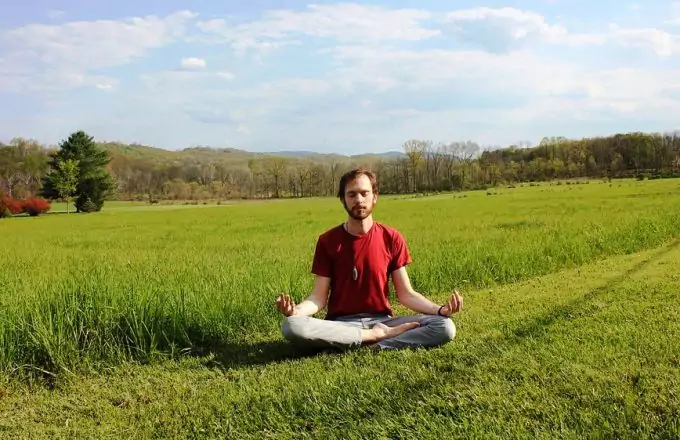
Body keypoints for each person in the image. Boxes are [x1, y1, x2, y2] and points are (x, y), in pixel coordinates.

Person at [275, 167, 463, 351]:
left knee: (444, 326)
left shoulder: (391, 237)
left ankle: (371, 343)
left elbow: (406, 294)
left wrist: (440, 310)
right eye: (352, 194)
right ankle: (374, 338)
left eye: (364, 193)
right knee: (292, 326)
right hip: (341, 324)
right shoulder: (328, 241)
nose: (359, 200)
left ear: (375, 196)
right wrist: (296, 312)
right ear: (343, 199)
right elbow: (318, 297)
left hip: (383, 320)